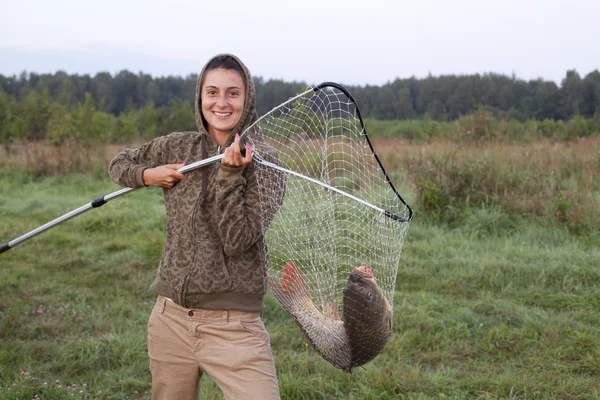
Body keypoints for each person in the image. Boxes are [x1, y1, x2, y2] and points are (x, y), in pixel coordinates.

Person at [108, 54, 283, 400]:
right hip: (170, 318)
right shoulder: (178, 145)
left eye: (233, 93)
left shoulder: (265, 162)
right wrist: (147, 175)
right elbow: (120, 163)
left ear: (247, 100)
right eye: (212, 91)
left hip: (235, 326)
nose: (221, 102)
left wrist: (231, 175)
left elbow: (237, 240)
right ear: (200, 97)